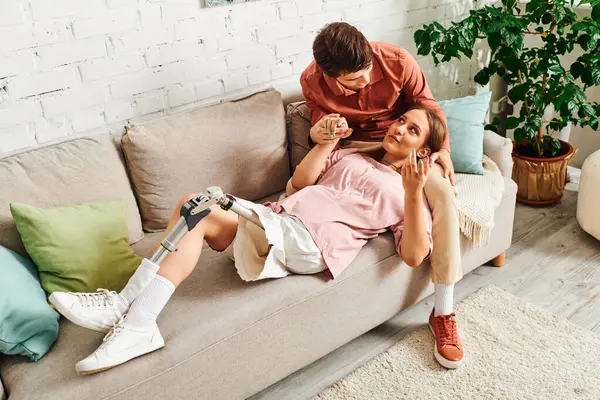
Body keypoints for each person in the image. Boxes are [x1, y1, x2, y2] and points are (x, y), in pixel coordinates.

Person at [49, 106, 462, 376]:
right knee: (191, 206)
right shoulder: (353, 156)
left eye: (413, 130)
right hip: (281, 220)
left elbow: (414, 255)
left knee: (207, 202)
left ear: (424, 149)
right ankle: (134, 317)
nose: (399, 129)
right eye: (401, 121)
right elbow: (299, 183)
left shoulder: (409, 189)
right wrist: (328, 143)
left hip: (309, 242)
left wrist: (412, 192)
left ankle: (126, 310)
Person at [294, 22, 464, 367]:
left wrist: (442, 149)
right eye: (354, 80)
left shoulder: (397, 61)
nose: (367, 81)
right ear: (330, 76)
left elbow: (428, 108)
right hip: (356, 145)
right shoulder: (311, 81)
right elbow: (317, 127)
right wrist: (324, 129)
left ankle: (443, 313)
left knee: (444, 194)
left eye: (367, 71)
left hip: (402, 143)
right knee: (296, 187)